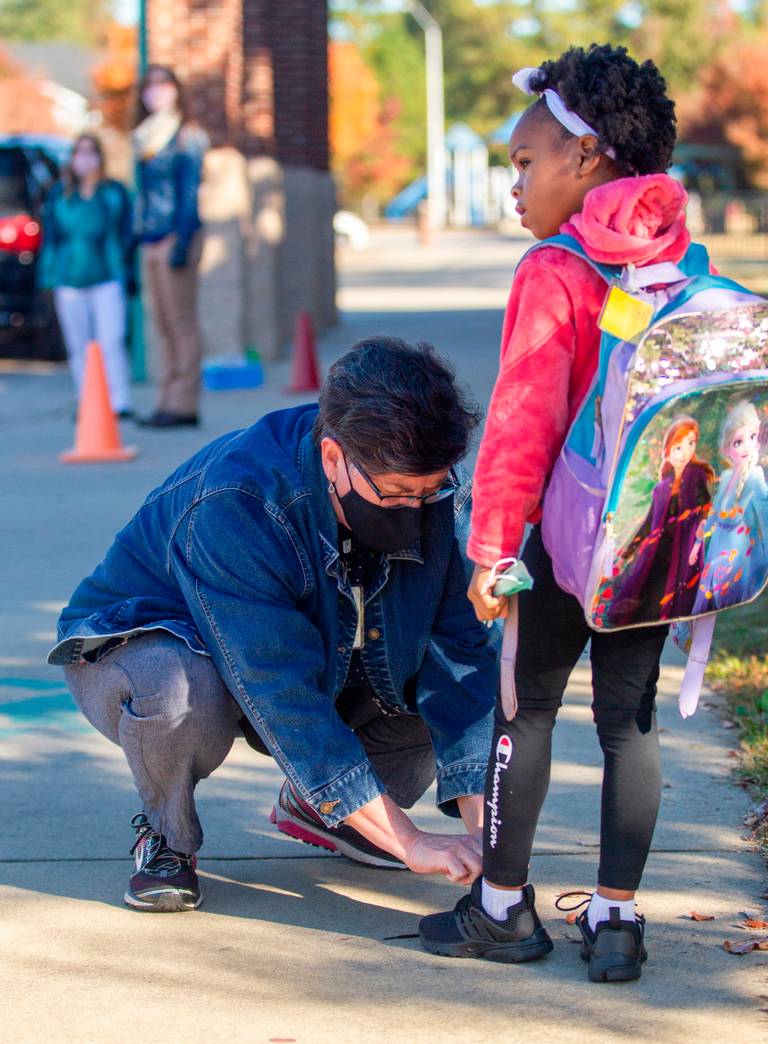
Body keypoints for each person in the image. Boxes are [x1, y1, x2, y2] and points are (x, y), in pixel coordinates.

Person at [48, 337, 497, 912]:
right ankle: (167, 839)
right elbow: (279, 693)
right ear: (334, 457)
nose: (418, 509)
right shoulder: (237, 502)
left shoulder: (437, 493)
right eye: (398, 494)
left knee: (443, 671)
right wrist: (408, 839)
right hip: (150, 647)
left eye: (429, 491)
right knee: (179, 689)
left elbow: (464, 670)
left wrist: (492, 845)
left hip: (321, 648)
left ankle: (326, 812)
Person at [419, 44, 693, 982]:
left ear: (587, 160)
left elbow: (521, 425)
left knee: (523, 713)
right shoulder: (679, 257)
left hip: (556, 546)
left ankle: (502, 909)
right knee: (631, 726)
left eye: (524, 163)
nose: (514, 184)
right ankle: (615, 924)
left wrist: (492, 550)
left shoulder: (558, 269)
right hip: (652, 547)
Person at [133, 64, 207, 429]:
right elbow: (145, 194)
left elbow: (190, 192)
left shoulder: (187, 135)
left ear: (176, 90)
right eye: (150, 86)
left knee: (181, 321)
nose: (156, 92)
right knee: (161, 324)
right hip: (150, 238)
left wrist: (182, 240)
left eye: (163, 85)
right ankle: (165, 399)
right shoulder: (144, 136)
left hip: (177, 236)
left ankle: (185, 402)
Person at [39, 133, 134, 418]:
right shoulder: (58, 193)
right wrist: (47, 276)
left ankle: (119, 401)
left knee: (111, 340)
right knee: (78, 345)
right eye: (79, 152)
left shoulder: (114, 192)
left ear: (100, 157)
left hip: (107, 275)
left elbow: (126, 235)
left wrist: (128, 273)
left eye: (91, 152)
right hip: (69, 278)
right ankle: (88, 400)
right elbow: (51, 239)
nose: (85, 158)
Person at [606, 416, 714, 626]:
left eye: (691, 443)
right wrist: (626, 554)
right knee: (644, 595)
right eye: (678, 447)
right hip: (656, 553)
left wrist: (701, 531)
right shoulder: (662, 487)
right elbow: (648, 524)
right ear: (668, 451)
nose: (685, 452)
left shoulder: (696, 476)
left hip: (683, 551)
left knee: (671, 599)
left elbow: (705, 508)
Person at [692, 400, 768, 612]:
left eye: (752, 437)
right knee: (704, 612)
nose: (747, 446)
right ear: (727, 449)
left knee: (724, 611)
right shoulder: (726, 477)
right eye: (738, 442)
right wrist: (699, 541)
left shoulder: (755, 476)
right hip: (716, 553)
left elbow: (766, 516)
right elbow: (715, 515)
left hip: (740, 560)